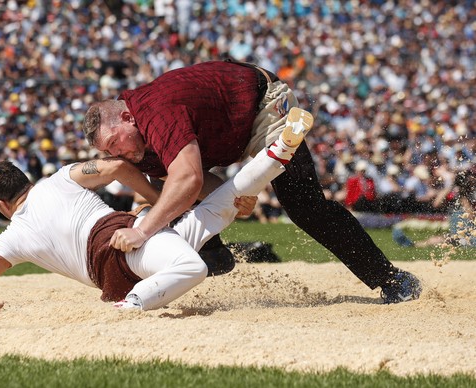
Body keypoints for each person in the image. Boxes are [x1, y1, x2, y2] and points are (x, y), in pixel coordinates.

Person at [82, 60, 422, 304]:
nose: (120, 153)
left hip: (261, 105)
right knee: (167, 201)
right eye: (110, 151)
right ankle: (214, 258)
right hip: (227, 133)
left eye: (115, 143)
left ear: (127, 117)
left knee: (304, 207)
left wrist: (141, 232)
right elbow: (190, 184)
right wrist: (233, 198)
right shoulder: (138, 143)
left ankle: (390, 279)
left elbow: (188, 178)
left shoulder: (156, 113)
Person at [0, 128, 303, 312]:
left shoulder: (13, 235)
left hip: (125, 251)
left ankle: (276, 155)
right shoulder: (61, 177)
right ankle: (275, 154)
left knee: (204, 235)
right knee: (208, 231)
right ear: (27, 181)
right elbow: (119, 167)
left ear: (2, 203)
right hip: (128, 243)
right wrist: (157, 203)